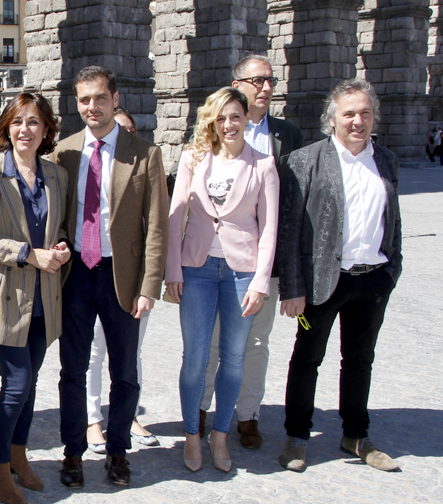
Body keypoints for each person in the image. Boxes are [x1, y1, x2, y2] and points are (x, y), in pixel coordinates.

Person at [277, 78, 402, 473]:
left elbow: (392, 220)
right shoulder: (307, 160)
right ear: (332, 120)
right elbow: (290, 229)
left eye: (365, 113)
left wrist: (392, 268)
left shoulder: (386, 160)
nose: (358, 121)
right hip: (321, 283)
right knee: (307, 358)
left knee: (360, 359)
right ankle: (297, 437)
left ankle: (356, 435)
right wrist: (292, 289)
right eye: (349, 113)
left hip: (372, 279)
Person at [52, 66, 168, 488]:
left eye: (100, 97)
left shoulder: (144, 153)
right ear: (77, 103)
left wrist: (149, 286)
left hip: (122, 275)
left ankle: (118, 451)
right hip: (77, 275)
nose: (92, 106)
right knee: (72, 371)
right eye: (84, 99)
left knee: (125, 371)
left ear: (115, 99)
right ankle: (72, 453)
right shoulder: (63, 152)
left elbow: (156, 226)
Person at [165, 86, 279, 473]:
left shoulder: (263, 165)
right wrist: (173, 270)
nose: (228, 124)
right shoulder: (193, 159)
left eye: (236, 116)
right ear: (212, 120)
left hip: (241, 273)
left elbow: (270, 228)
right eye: (222, 116)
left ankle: (220, 435)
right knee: (194, 359)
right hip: (196, 269)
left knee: (233, 360)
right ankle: (192, 436)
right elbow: (174, 216)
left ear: (247, 119)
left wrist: (262, 281)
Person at [0, 92, 69, 504]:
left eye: (33, 122)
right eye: (17, 122)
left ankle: (18, 456)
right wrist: (29, 254)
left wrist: (60, 249)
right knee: (17, 383)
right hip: (7, 293)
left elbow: (58, 228)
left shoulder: (57, 175)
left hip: (45, 294)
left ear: (46, 130)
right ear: (6, 129)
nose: (24, 130)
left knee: (32, 382)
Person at [197, 54, 304, 448]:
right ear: (237, 84)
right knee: (209, 340)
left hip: (264, 264)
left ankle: (248, 414)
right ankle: (201, 409)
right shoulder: (211, 134)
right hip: (214, 260)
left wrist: (291, 275)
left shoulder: (288, 136)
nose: (266, 87)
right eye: (257, 80)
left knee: (255, 342)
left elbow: (292, 208)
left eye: (271, 80)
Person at [84, 106, 159, 452]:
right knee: (93, 353)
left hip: (130, 275)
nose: (124, 136)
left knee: (132, 355)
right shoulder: (78, 154)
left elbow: (157, 227)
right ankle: (92, 420)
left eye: (130, 131)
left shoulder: (145, 160)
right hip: (90, 271)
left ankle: (127, 417)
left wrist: (149, 285)